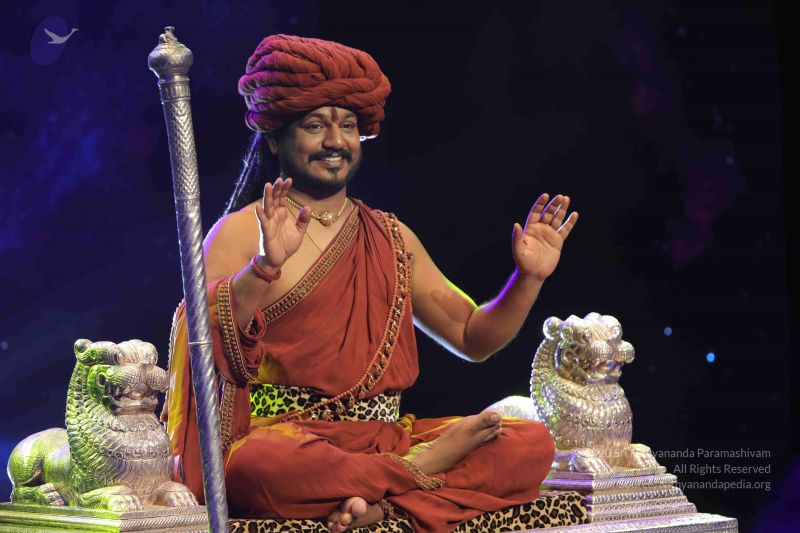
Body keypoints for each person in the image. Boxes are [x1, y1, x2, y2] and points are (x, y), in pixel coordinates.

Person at [162, 34, 579, 533]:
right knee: (254, 468)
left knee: (530, 444)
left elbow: (473, 337)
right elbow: (206, 346)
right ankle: (417, 476)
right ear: (274, 138)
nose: (335, 142)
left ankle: (379, 501)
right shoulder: (237, 232)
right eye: (315, 125)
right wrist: (266, 266)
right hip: (291, 442)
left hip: (384, 437)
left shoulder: (391, 237)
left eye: (348, 126)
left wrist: (528, 278)